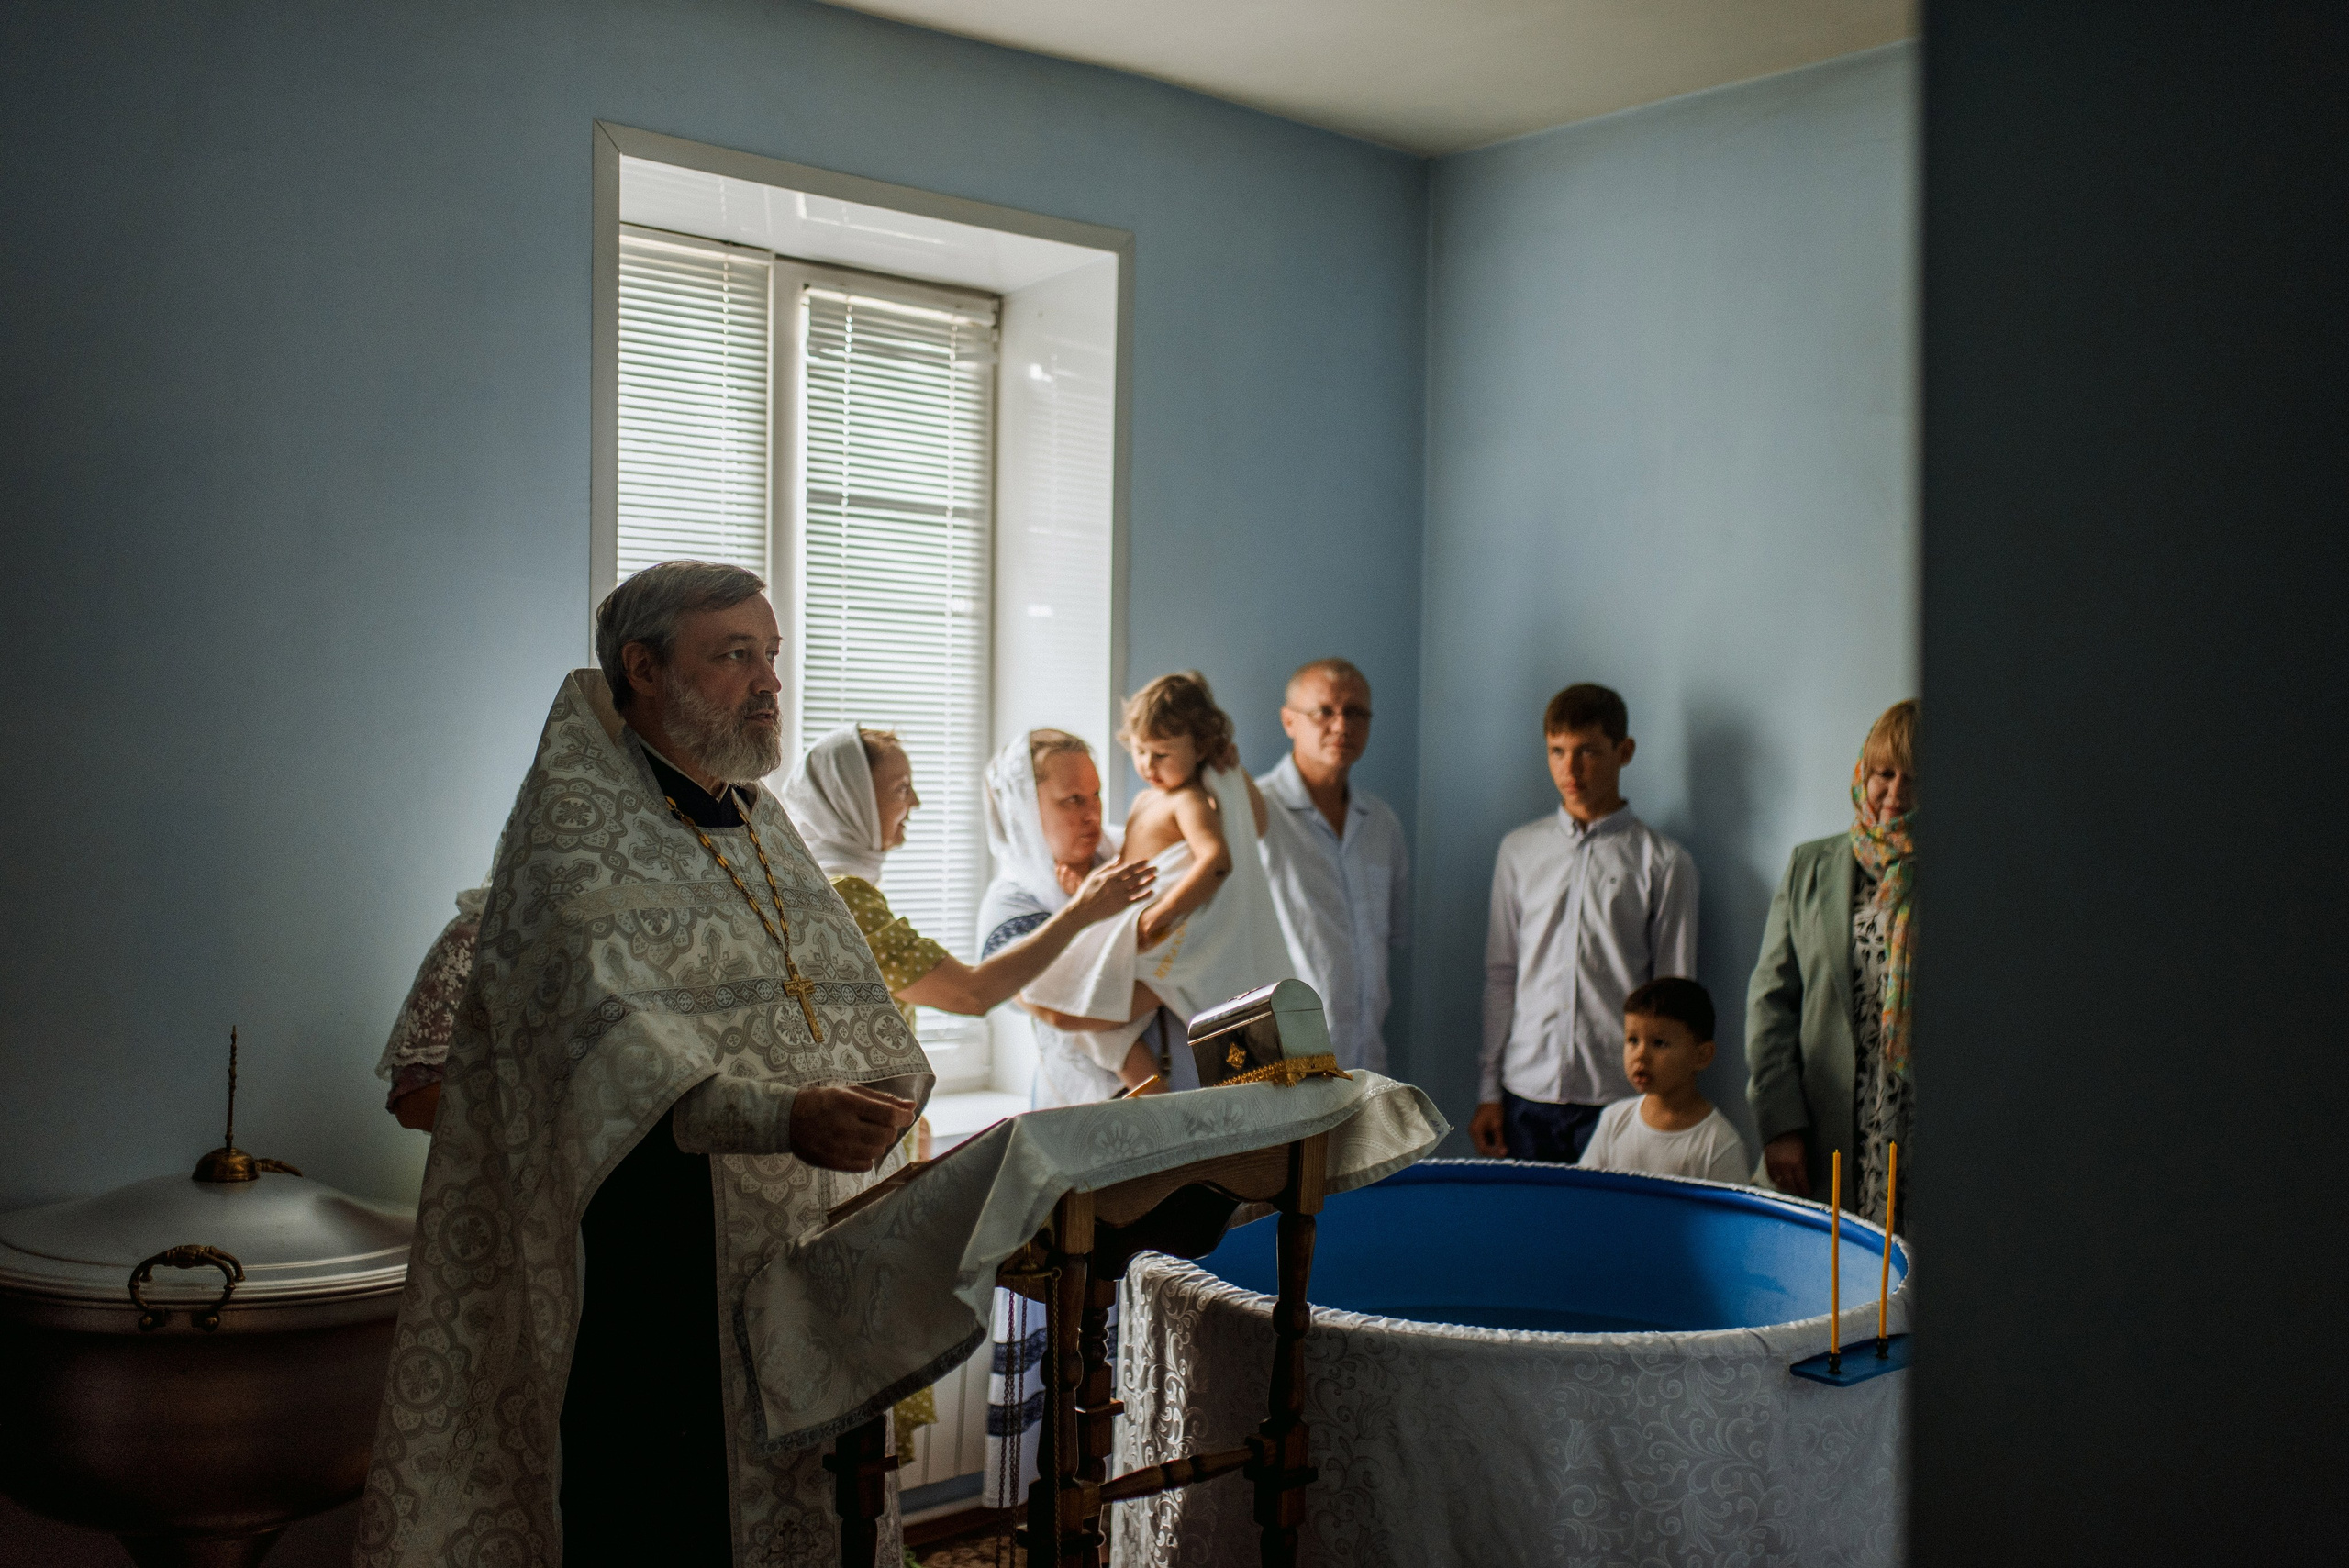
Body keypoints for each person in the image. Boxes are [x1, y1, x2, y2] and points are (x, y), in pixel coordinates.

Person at [357, 561, 933, 1568]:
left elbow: (840, 1004)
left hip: (795, 1252)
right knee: (666, 1520)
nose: (767, 681)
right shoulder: (571, 842)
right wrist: (775, 1115)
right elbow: (604, 1053)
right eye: (733, 655)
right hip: (647, 1266)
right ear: (644, 667)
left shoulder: (761, 827)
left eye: (773, 656)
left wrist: (883, 1090)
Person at [1020, 672, 1297, 1092]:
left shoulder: (1189, 801)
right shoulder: (1145, 800)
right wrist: (1085, 887)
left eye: (1162, 754)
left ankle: (1165, 1097)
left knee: (1072, 1009)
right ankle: (1153, 1096)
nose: (1148, 765)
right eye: (1140, 751)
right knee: (1067, 1007)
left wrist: (1162, 915)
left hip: (1171, 943)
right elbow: (1133, 870)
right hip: (1133, 931)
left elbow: (1216, 861)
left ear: (1200, 748)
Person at [781, 725, 1152, 1034]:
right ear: (850, 802)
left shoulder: (826, 884)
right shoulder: (844, 895)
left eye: (1095, 795)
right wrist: (1082, 912)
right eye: (901, 789)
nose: (915, 802)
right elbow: (972, 994)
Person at [1472, 684, 1699, 1163]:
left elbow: (1676, 995)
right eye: (1557, 751)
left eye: (1588, 752)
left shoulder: (1663, 862)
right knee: (1527, 1233)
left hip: (1619, 1096)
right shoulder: (1519, 850)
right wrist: (1489, 1091)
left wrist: (1666, 1102)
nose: (1570, 770)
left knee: (1611, 1236)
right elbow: (1501, 974)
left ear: (1624, 751)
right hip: (1526, 1091)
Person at [1747, 700, 1916, 1221]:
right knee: (1828, 1285)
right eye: (1882, 774)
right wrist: (1781, 1125)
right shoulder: (1811, 866)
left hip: (1915, 1127)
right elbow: (1772, 1002)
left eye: (1913, 779)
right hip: (1824, 1129)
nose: (1893, 793)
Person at [1256, 658, 1410, 1073]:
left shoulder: (1382, 824)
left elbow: (1389, 939)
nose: (1342, 726)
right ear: (1290, 721)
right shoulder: (1257, 815)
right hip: (1282, 1064)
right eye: (1325, 711)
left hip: (1366, 1059)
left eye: (1356, 713)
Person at [975, 728, 1136, 1108]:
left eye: (1095, 794)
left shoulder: (1127, 850)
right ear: (1026, 810)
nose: (1092, 813)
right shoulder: (1010, 902)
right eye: (1072, 800)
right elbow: (1057, 1006)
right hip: (1083, 1098)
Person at [1576, 977, 1751, 1184]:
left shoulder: (1720, 1144)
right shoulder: (1613, 1122)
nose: (1640, 1055)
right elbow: (1586, 1195)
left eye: (1659, 1043)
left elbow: (1728, 1216)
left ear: (1702, 1056)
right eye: (1632, 1040)